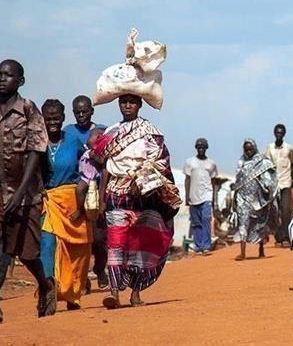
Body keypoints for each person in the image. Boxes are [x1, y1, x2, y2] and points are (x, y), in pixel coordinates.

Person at [0, 60, 56, 325]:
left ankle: (45, 284)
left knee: (27, 253)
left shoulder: (28, 110)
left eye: (8, 75)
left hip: (25, 190)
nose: (2, 79)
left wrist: (21, 192)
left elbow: (36, 154)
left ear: (20, 81)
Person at [97, 94, 181, 309]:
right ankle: (114, 293)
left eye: (132, 102)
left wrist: (143, 175)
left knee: (141, 246)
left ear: (140, 104)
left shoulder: (150, 132)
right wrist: (101, 197)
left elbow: (161, 161)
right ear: (118, 104)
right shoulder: (111, 132)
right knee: (116, 244)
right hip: (116, 193)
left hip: (143, 195)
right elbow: (105, 167)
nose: (127, 105)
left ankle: (135, 293)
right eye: (124, 101)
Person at [39, 99, 92, 311]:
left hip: (73, 200)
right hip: (48, 200)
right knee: (47, 243)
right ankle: (48, 288)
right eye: (48, 118)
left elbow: (89, 168)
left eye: (56, 118)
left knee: (77, 250)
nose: (52, 122)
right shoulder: (37, 143)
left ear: (63, 119)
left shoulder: (73, 142)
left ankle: (72, 293)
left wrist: (83, 199)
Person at [62, 95, 108, 291]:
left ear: (91, 111)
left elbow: (107, 160)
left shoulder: (101, 131)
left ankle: (99, 268)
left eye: (84, 111)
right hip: (76, 187)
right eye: (77, 112)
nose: (81, 115)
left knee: (99, 238)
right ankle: (82, 279)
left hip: (96, 187)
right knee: (80, 239)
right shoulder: (68, 133)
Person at [233, 139, 278, 260]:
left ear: (255, 148)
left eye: (250, 149)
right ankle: (242, 252)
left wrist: (267, 188)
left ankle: (261, 249)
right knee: (243, 222)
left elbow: (268, 178)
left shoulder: (262, 162)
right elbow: (238, 179)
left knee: (260, 224)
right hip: (242, 198)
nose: (248, 152)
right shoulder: (241, 162)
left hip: (258, 200)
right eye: (246, 149)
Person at [264, 124, 293, 248]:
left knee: (285, 211)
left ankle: (286, 238)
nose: (279, 134)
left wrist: (289, 174)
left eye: (281, 133)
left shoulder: (289, 148)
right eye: (277, 133)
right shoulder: (269, 148)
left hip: (285, 183)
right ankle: (278, 237)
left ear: (284, 134)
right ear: (274, 133)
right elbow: (266, 165)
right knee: (275, 212)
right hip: (273, 185)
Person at [183, 138, 219, 255]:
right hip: (193, 196)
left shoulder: (211, 163)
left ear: (206, 148)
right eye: (199, 147)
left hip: (207, 195)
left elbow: (214, 182)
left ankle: (206, 246)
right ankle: (198, 246)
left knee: (206, 219)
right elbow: (187, 180)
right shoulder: (190, 162)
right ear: (196, 148)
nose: (201, 149)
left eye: (203, 147)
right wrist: (187, 196)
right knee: (196, 222)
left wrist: (214, 199)